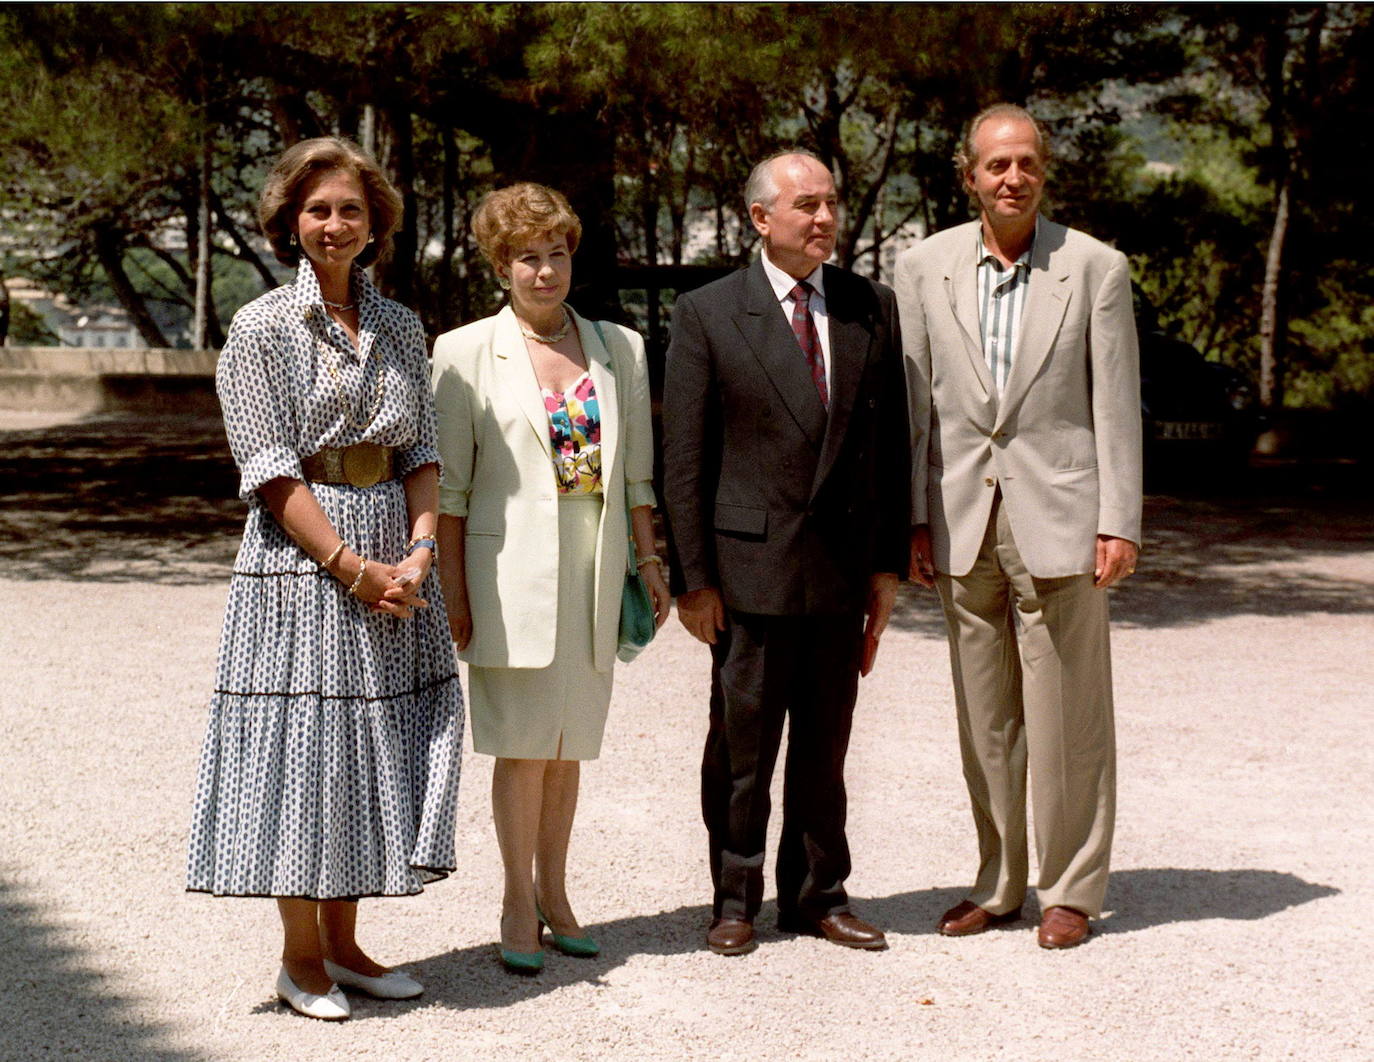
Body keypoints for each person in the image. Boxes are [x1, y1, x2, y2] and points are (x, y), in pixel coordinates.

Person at [185, 137, 463, 1020]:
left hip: (395, 551)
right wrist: (349, 566)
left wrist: (419, 551)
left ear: (375, 221)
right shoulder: (261, 328)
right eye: (317, 210)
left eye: (350, 209)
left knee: (370, 746)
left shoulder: (401, 326)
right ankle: (299, 959)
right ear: (290, 223)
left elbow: (421, 449)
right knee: (308, 750)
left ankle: (345, 946)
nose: (334, 224)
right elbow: (269, 467)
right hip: (303, 561)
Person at [894, 103, 1142, 949]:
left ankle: (1069, 888)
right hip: (959, 516)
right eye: (997, 164)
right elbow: (914, 406)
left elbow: (1116, 404)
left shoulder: (1095, 268)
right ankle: (998, 883)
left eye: (1027, 162)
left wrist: (1119, 520)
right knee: (986, 718)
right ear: (969, 176)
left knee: (1070, 715)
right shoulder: (921, 268)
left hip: (1063, 518)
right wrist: (913, 517)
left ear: (1044, 172)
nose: (1013, 177)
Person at [661, 150, 910, 957]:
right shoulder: (708, 312)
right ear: (761, 219)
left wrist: (886, 567)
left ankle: (818, 897)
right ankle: (734, 900)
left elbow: (889, 446)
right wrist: (693, 579)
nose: (825, 218)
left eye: (830, 202)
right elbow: (685, 458)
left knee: (824, 752)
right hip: (748, 574)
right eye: (806, 205)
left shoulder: (870, 306)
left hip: (840, 571)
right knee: (742, 751)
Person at [430, 183, 670, 974]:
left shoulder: (619, 348)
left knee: (568, 748)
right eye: (527, 257)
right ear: (500, 265)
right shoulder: (463, 351)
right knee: (523, 747)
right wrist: (454, 593)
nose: (545, 271)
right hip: (507, 576)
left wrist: (650, 562)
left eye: (557, 254)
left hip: (595, 569)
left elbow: (636, 478)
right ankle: (514, 899)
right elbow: (451, 491)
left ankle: (556, 894)